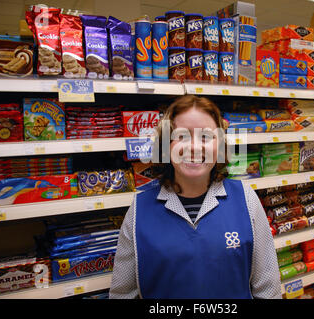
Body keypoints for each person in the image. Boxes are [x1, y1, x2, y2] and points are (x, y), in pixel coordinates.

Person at [109, 95, 282, 299]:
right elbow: (122, 294)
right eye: (181, 136)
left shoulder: (246, 199)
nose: (194, 147)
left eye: (206, 137)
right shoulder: (139, 210)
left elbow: (268, 290)